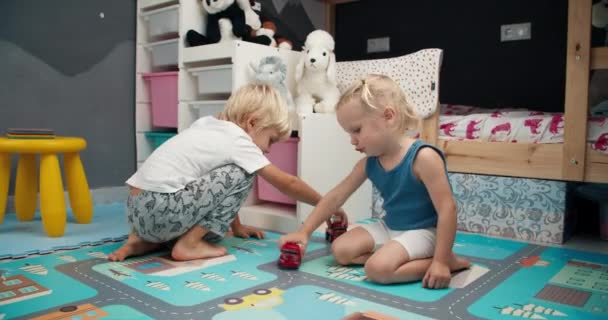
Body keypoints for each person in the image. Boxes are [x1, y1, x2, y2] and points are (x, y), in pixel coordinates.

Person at [109, 83, 344, 262]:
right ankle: (188, 244)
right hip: (163, 210)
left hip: (136, 212)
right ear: (251, 123)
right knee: (244, 172)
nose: (267, 149)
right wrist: (326, 204)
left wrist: (237, 227)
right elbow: (288, 184)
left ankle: (140, 243)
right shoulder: (239, 140)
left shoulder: (206, 125)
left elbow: (214, 189)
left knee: (218, 219)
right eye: (270, 139)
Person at [279, 74, 470, 289]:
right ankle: (399, 255)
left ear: (388, 116)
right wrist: (304, 231)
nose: (352, 140)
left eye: (357, 130)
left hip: (423, 232)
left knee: (377, 270)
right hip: (390, 226)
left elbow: (448, 210)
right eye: (349, 133)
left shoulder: (423, 157)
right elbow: (335, 197)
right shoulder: (368, 163)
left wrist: (441, 261)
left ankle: (446, 261)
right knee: (340, 251)